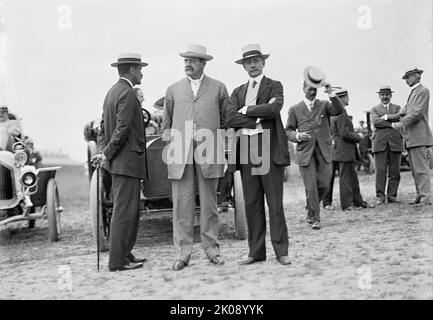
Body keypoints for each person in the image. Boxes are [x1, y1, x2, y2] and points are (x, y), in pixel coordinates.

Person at [162, 44, 227, 271]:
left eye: (192, 60)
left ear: (203, 63)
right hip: (180, 156)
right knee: (182, 205)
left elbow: (226, 123)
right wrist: (172, 143)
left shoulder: (219, 88)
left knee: (210, 204)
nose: (187, 64)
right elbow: (166, 126)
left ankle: (212, 250)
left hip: (210, 152)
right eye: (185, 61)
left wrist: (224, 152)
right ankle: (183, 253)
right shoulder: (172, 90)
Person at [226, 44, 291, 266]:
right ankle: (256, 252)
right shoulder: (237, 92)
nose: (252, 65)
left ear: (263, 63)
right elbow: (229, 118)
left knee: (275, 203)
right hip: (246, 151)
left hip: (269, 149)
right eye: (248, 62)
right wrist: (257, 117)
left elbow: (274, 110)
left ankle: (281, 251)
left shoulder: (275, 86)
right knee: (252, 203)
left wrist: (245, 110)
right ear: (243, 66)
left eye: (256, 61)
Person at [93, 53, 148, 272]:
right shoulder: (128, 93)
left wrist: (104, 152)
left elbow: (102, 129)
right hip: (126, 163)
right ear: (132, 70)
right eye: (140, 69)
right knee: (125, 212)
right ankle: (118, 261)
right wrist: (106, 154)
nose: (142, 72)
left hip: (119, 163)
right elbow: (122, 129)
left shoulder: (111, 93)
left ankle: (125, 253)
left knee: (128, 211)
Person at [286, 67, 344, 230]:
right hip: (305, 153)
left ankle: (311, 209)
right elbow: (288, 130)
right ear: (303, 88)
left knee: (325, 185)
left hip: (324, 151)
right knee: (311, 187)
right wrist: (297, 136)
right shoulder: (294, 109)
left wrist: (330, 92)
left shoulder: (325, 105)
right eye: (310, 89)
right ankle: (315, 218)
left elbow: (339, 110)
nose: (312, 92)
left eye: (314, 89)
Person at [330, 89, 373, 211]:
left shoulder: (337, 112)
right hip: (344, 151)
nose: (348, 99)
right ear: (341, 99)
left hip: (345, 151)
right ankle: (347, 204)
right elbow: (344, 133)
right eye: (347, 97)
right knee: (346, 178)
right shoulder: (341, 113)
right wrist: (358, 137)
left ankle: (358, 202)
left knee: (352, 177)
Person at [398, 68, 433, 206]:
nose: (406, 81)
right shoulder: (413, 92)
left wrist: (400, 123)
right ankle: (420, 195)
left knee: (421, 169)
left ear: (416, 77)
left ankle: (426, 197)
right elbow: (405, 111)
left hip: (419, 137)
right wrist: (389, 117)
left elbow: (417, 113)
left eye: (408, 78)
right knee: (414, 169)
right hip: (412, 137)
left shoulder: (423, 91)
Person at [370, 86, 404, 205]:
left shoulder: (397, 108)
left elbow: (400, 116)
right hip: (379, 143)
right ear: (379, 96)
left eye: (387, 94)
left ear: (391, 95)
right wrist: (392, 124)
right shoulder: (374, 109)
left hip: (395, 142)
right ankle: (380, 197)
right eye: (382, 94)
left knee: (395, 171)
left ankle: (392, 196)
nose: (385, 97)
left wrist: (386, 117)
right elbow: (376, 122)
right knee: (380, 171)